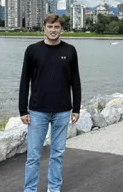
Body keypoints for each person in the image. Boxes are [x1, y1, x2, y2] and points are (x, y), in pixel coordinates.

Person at [18, 14, 81, 192]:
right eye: (50, 27)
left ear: (61, 29)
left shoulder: (70, 51)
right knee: (33, 155)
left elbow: (75, 81)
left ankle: (54, 189)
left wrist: (76, 108)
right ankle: (29, 190)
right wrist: (23, 110)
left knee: (57, 154)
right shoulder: (32, 50)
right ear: (44, 28)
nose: (53, 30)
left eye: (57, 27)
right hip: (38, 111)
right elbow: (25, 81)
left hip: (62, 111)